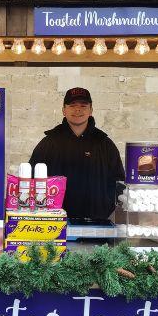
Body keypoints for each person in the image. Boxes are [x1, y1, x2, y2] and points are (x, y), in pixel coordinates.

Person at [30, 87, 124, 221]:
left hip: (96, 223)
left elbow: (118, 182)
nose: (78, 110)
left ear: (91, 110)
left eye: (83, 106)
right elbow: (31, 180)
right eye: (72, 105)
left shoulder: (104, 144)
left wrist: (106, 208)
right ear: (64, 110)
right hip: (53, 222)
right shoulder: (49, 143)